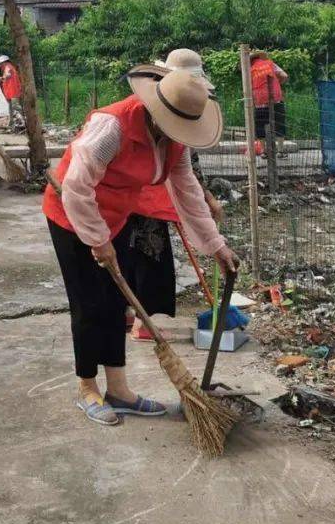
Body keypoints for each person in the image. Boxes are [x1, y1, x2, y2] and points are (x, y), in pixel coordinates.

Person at [44, 67, 239, 426]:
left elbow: (188, 193)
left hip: (116, 215)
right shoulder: (112, 128)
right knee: (89, 303)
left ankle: (119, 391)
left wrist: (216, 245)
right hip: (73, 216)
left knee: (116, 302)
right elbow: (75, 188)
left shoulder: (173, 142)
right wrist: (97, 240)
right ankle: (87, 387)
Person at [123, 49, 224, 340]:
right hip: (141, 190)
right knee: (148, 253)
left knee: (141, 251)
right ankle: (150, 318)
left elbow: (186, 166)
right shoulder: (156, 104)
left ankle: (139, 313)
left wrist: (206, 199)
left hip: (158, 187)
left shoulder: (184, 101)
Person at [250, 51, 288, 155]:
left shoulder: (250, 69)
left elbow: (249, 86)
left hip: (260, 101)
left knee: (261, 125)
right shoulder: (270, 64)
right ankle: (280, 151)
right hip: (275, 98)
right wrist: (276, 84)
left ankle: (264, 151)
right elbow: (284, 75)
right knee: (279, 123)